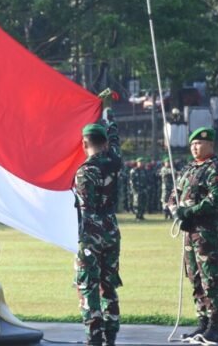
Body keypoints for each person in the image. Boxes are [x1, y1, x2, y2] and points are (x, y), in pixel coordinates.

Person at [168, 127, 218, 343]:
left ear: (210, 145)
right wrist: (177, 212)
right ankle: (202, 321)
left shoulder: (215, 167)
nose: (195, 147)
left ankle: (215, 325)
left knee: (210, 277)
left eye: (199, 143)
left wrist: (190, 211)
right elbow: (173, 196)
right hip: (189, 231)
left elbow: (216, 199)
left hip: (207, 232)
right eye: (192, 144)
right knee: (194, 277)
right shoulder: (189, 169)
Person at [72, 108, 123, 346]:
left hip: (91, 235)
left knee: (88, 285)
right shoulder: (115, 162)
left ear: (84, 143)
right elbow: (115, 140)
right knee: (109, 283)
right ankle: (110, 333)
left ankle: (93, 335)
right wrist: (109, 117)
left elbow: (84, 209)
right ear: (104, 142)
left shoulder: (85, 172)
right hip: (112, 231)